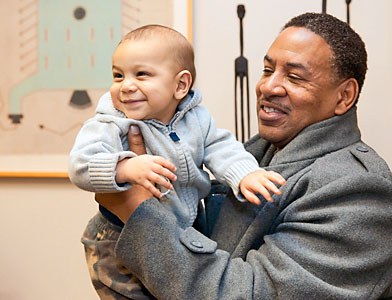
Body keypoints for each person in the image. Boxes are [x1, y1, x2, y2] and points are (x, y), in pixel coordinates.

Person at [94, 13, 392, 300]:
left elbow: (252, 294)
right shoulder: (259, 154)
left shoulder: (360, 192)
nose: (268, 86)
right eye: (268, 70)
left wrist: (137, 208)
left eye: (295, 77)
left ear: (344, 96)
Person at [69, 24, 285, 299]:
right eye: (118, 75)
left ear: (180, 85)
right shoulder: (111, 123)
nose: (126, 86)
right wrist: (125, 167)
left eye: (142, 74)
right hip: (116, 237)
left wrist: (245, 175)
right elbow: (80, 165)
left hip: (183, 228)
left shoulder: (197, 119)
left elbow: (220, 147)